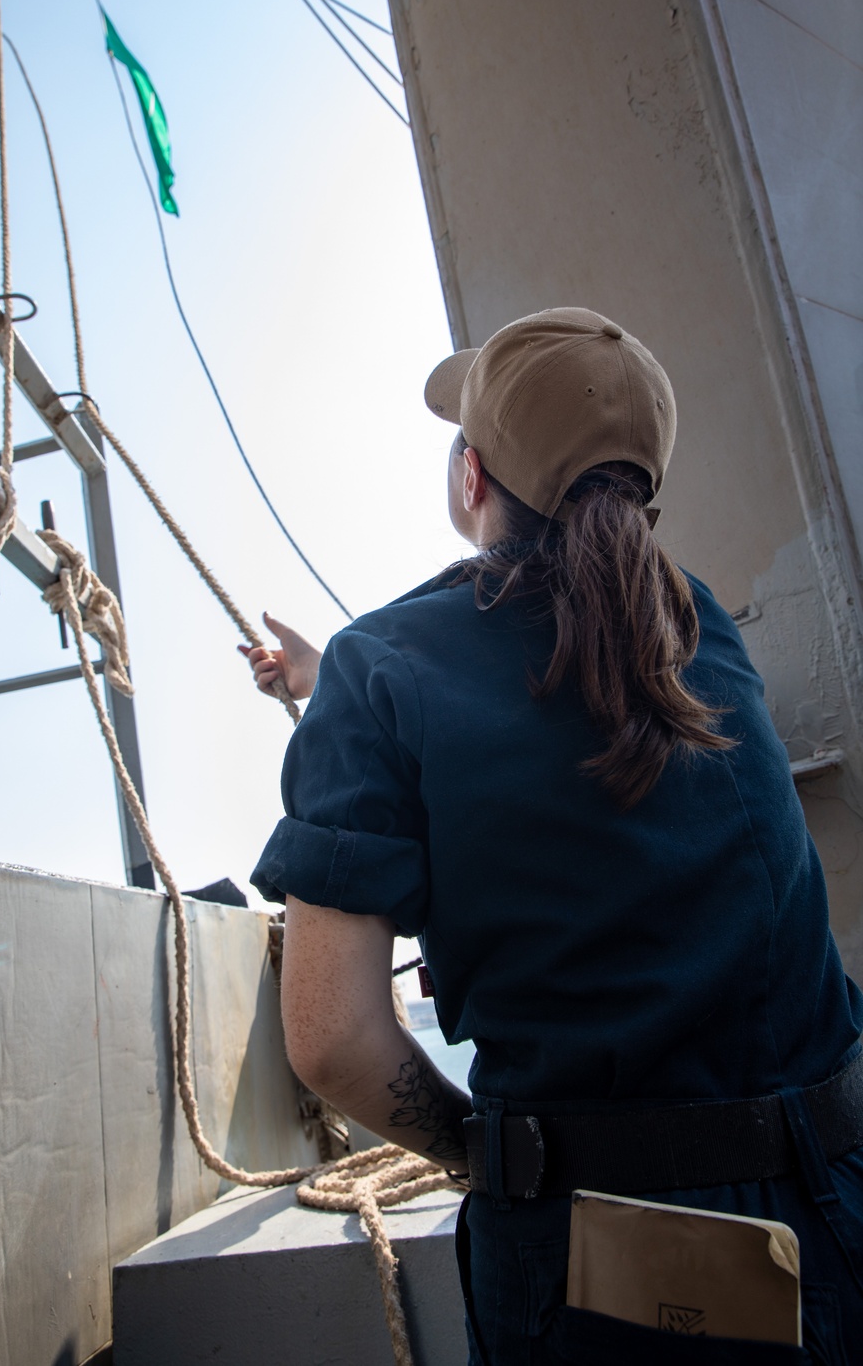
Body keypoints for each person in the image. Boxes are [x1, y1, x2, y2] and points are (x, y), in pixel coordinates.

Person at [244, 308, 863, 1364]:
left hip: (607, 1258)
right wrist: (326, 681)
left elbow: (333, 1040)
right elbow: (543, 715)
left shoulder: (382, 667)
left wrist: (483, 1154)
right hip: (839, 1196)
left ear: (470, 476)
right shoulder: (699, 627)